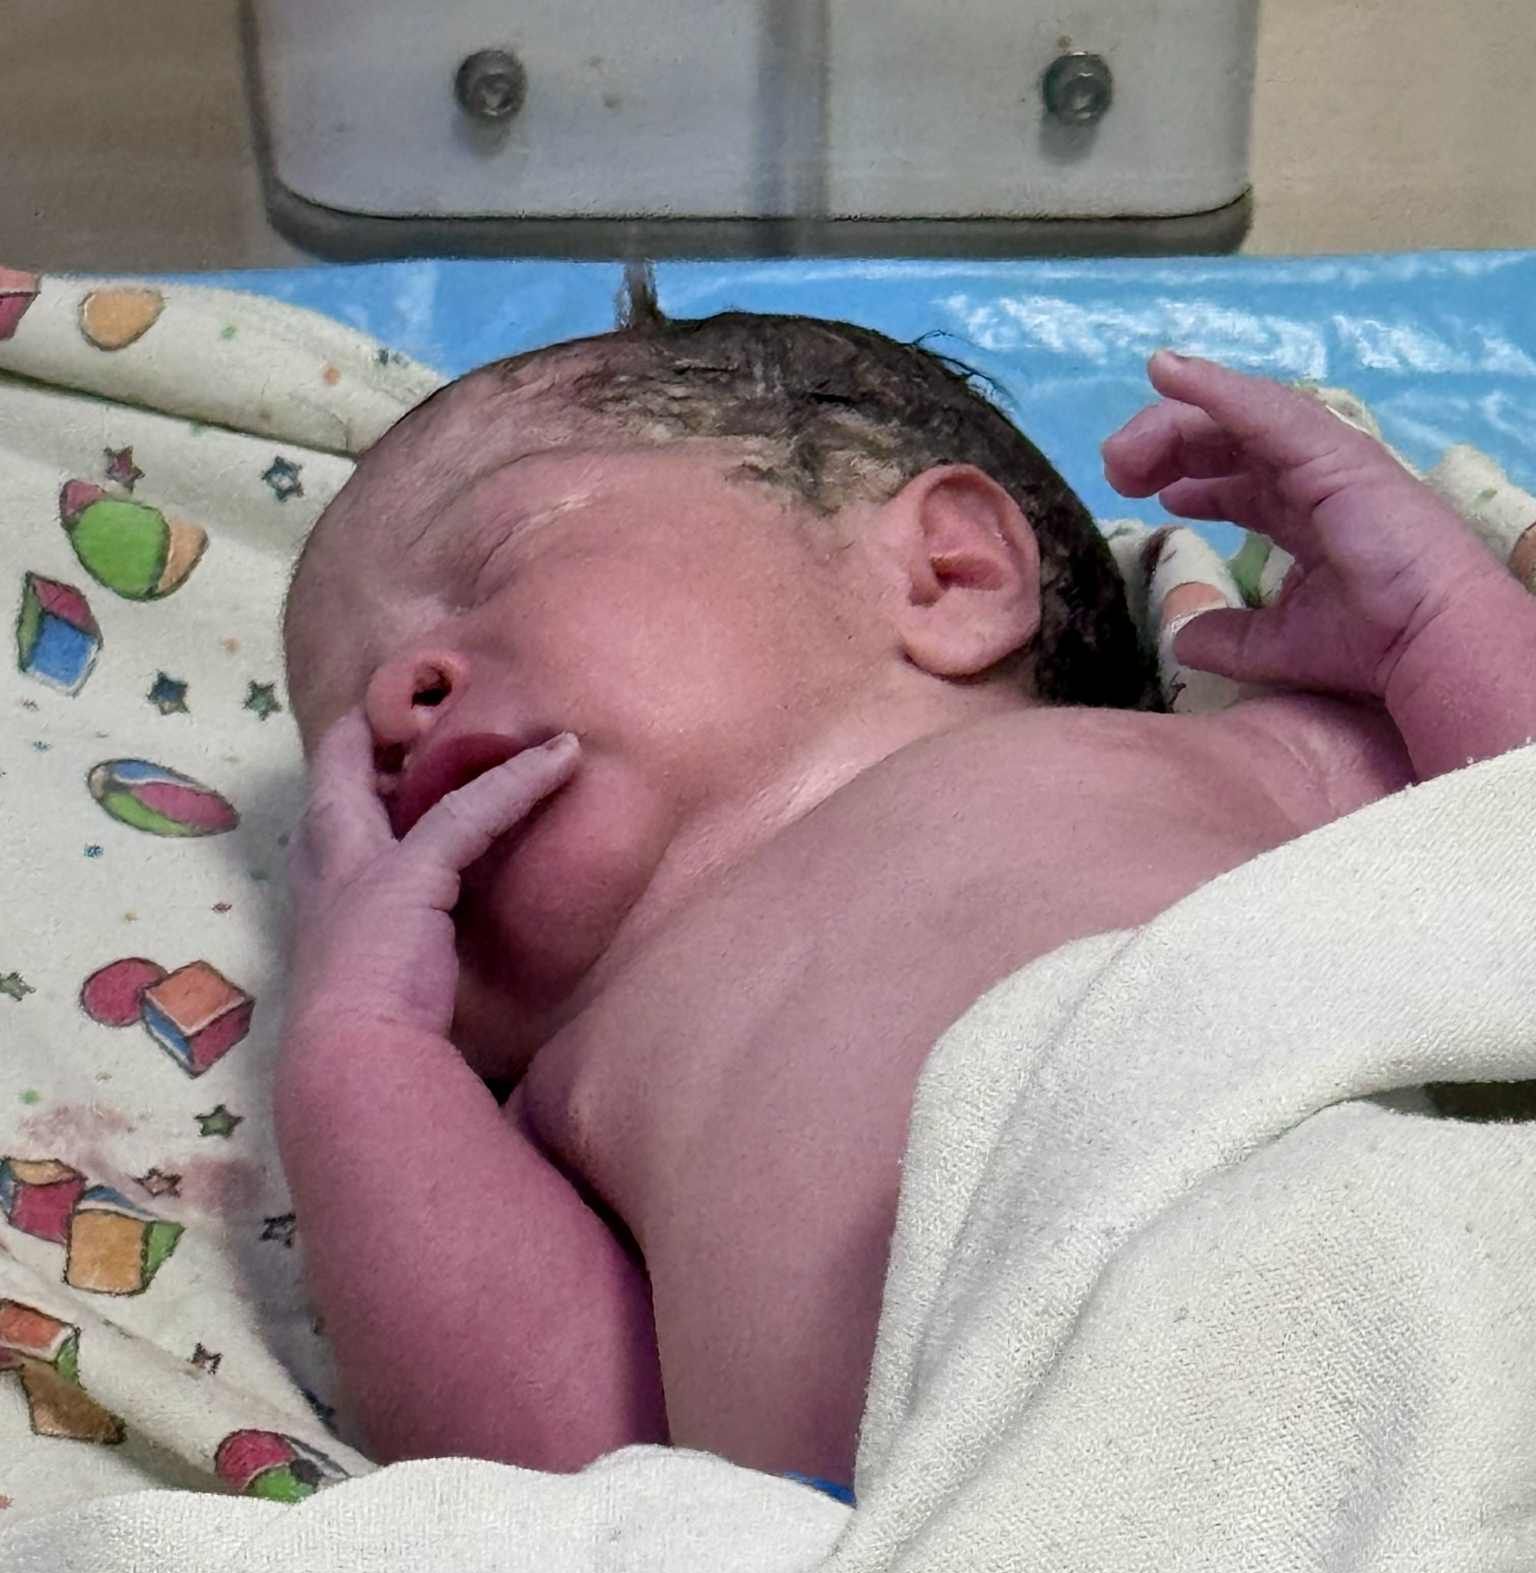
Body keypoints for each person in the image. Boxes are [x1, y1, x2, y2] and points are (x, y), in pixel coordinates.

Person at [276, 273, 1536, 1494]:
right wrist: (364, 1050)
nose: (387, 702)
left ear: (948, 573)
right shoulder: (562, 1109)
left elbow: (1508, 847)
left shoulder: (1209, 762)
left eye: (499, 556)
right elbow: (586, 1495)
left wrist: (1440, 619)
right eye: (335, 736)